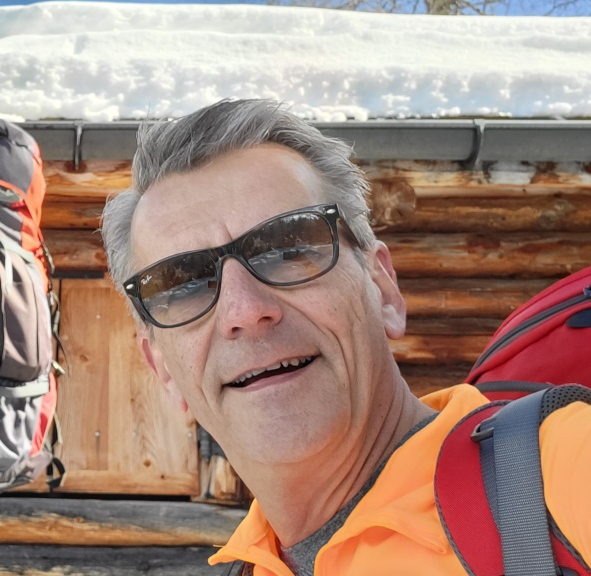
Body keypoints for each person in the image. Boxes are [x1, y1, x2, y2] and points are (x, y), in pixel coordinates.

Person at [100, 99, 591, 575]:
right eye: (183, 284)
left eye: (288, 248)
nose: (245, 312)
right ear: (163, 369)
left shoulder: (562, 467)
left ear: (383, 289)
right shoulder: (248, 566)